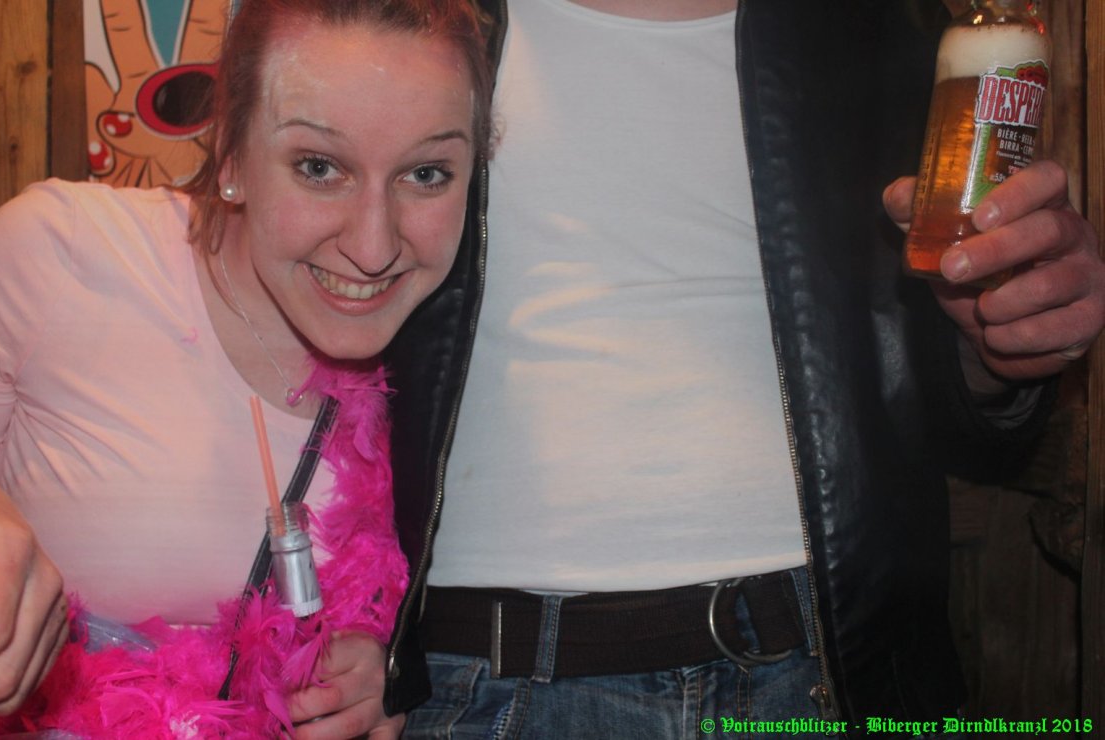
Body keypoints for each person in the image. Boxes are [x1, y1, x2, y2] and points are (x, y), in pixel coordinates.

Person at [373, 0, 1105, 737]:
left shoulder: (892, 21)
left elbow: (950, 411)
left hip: (835, 670)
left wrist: (1003, 341)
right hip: (485, 681)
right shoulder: (401, 17)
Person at [0, 0, 492, 737]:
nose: (374, 246)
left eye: (426, 173)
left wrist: (383, 668)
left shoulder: (452, 374)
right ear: (231, 156)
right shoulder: (63, 254)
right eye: (318, 167)